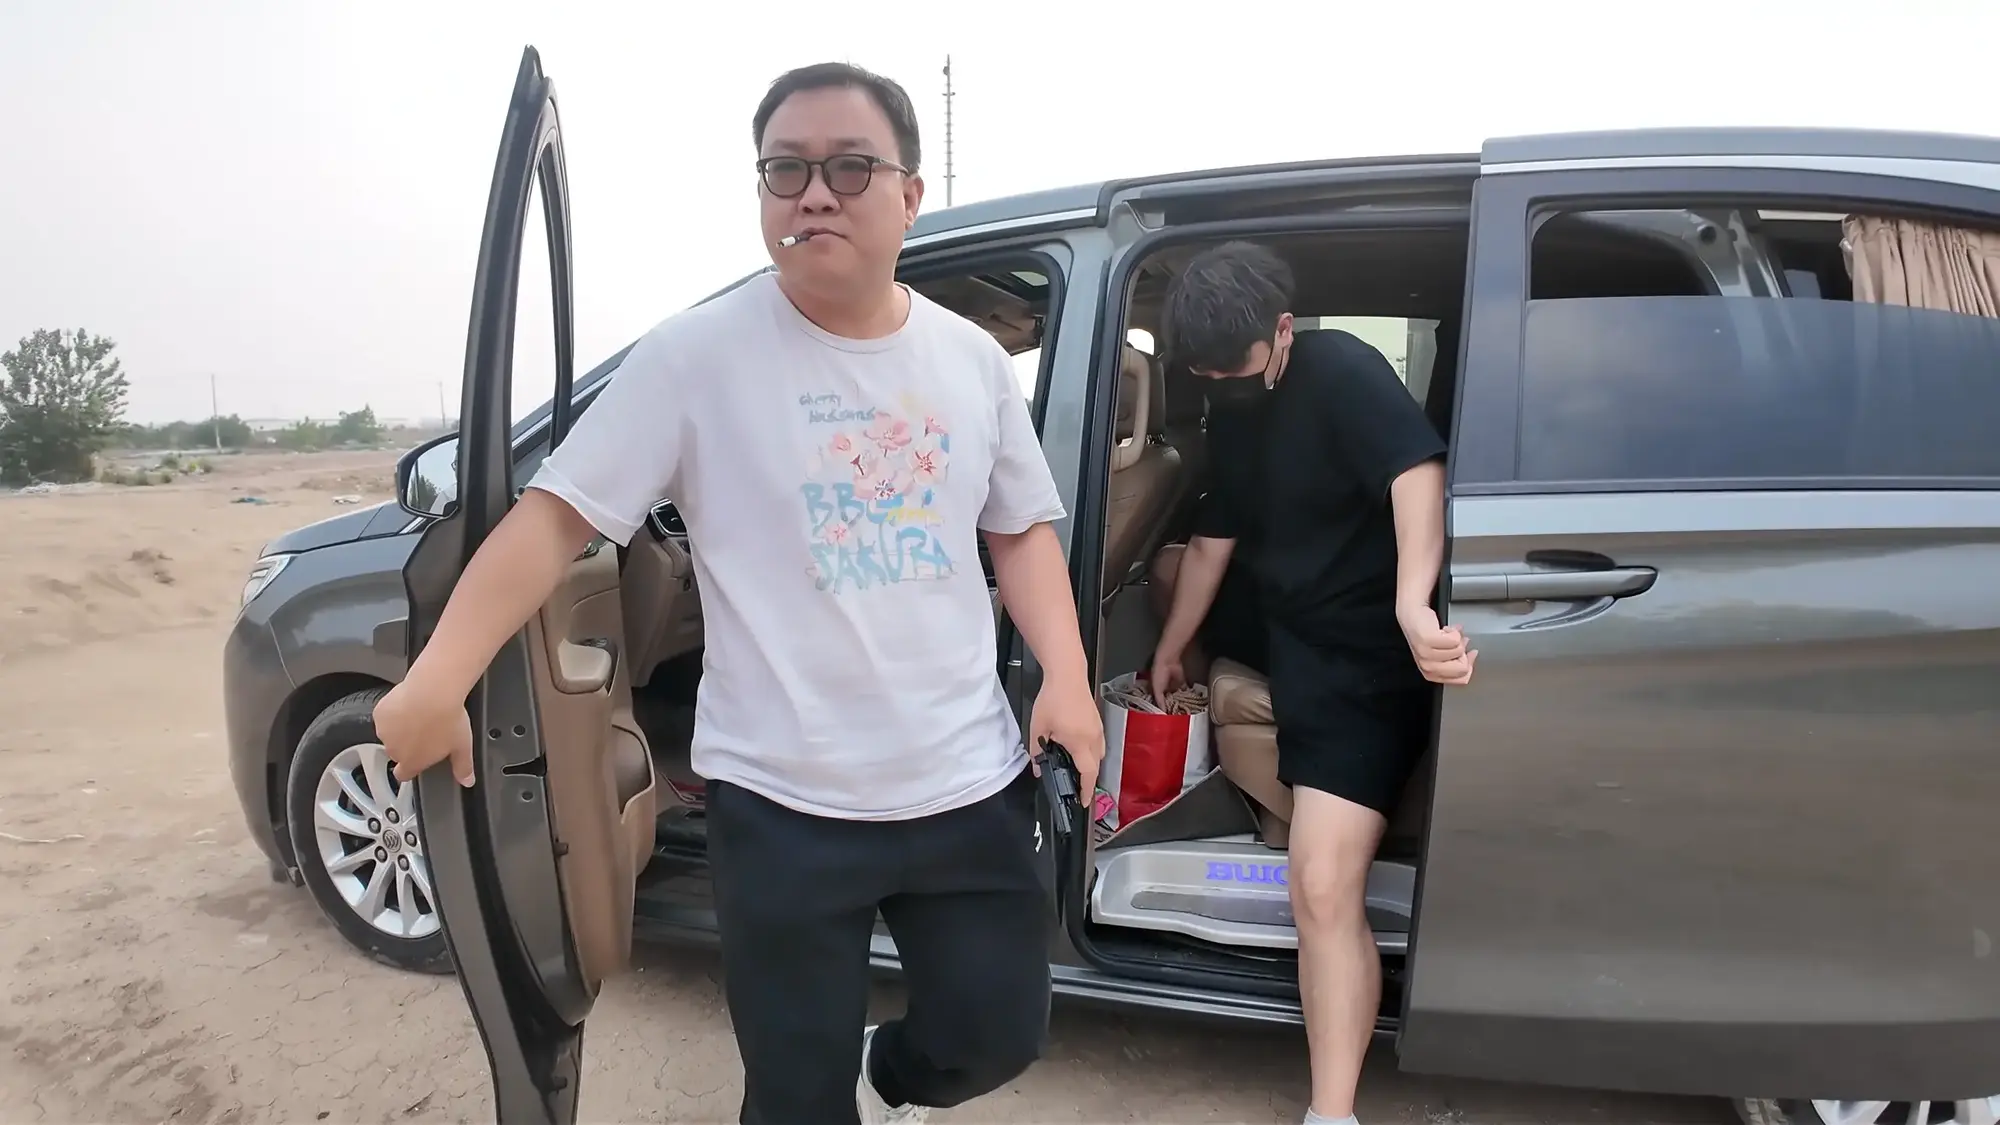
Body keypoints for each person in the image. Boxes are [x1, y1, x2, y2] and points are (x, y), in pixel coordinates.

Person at [371, 62, 1105, 1125]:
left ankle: (886, 1077)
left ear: (910, 196)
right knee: (794, 1097)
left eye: (849, 167)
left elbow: (1020, 531)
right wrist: (440, 678)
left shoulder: (970, 362)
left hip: (963, 781)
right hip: (780, 802)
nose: (815, 193)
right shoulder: (694, 357)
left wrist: (1066, 678)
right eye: (785, 169)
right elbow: (555, 519)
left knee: (995, 1033)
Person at [1145, 241, 1474, 1125]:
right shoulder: (1231, 403)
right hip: (1283, 616)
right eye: (1207, 372)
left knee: (1321, 885)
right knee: (1170, 566)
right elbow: (1216, 537)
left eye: (1236, 365)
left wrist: (1413, 604)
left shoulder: (1341, 371)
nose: (1224, 382)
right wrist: (1173, 647)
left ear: (1284, 330)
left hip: (1358, 650)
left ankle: (1332, 1113)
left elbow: (1418, 471)